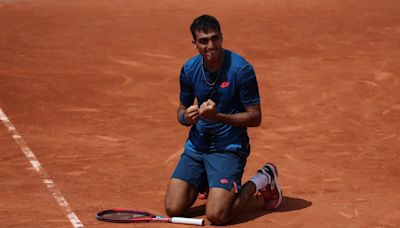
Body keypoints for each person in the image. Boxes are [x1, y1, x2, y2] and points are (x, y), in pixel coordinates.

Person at [164, 14, 283, 225]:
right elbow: (181, 109)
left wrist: (218, 116)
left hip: (229, 147)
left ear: (221, 37)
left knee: (218, 216)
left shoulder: (241, 70)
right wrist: (185, 117)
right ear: (194, 44)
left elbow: (255, 118)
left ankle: (263, 178)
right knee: (173, 208)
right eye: (203, 41)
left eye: (215, 38)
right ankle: (209, 180)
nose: (211, 45)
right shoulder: (189, 69)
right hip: (197, 146)